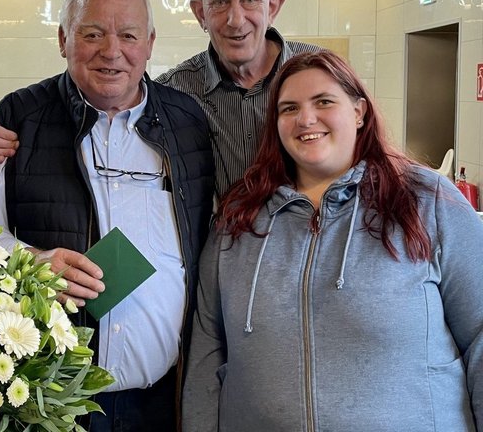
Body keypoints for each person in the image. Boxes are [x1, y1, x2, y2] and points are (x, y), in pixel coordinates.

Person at [0, 0, 214, 432]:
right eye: (92, 34)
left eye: (128, 35)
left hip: (162, 399)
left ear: (150, 43)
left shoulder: (187, 121)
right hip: (47, 397)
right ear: (63, 39)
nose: (111, 51)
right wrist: (32, 263)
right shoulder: (20, 117)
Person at [183, 50, 483, 431]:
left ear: (359, 112)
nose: (306, 119)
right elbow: (207, 354)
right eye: (289, 108)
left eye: (323, 101)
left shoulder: (425, 202)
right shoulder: (238, 219)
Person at [0, 0, 319, 198]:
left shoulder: (323, 74)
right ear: (200, 14)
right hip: (227, 264)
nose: (235, 19)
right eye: (219, 2)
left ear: (273, 7)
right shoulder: (176, 94)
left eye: (250, 0)